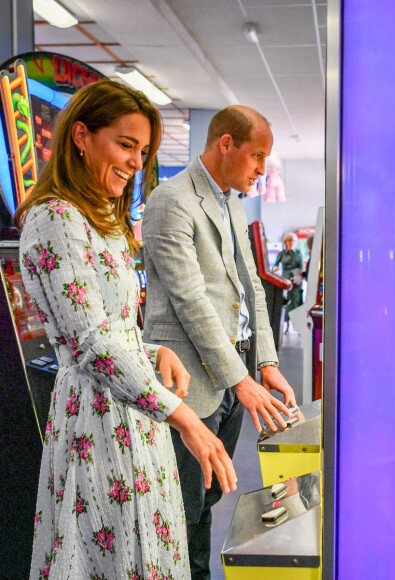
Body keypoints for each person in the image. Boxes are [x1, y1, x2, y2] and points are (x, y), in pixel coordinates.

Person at [14, 80, 237, 580]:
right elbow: (89, 342)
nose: (137, 162)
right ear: (81, 136)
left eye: (144, 150)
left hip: (133, 411)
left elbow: (110, 325)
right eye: (127, 144)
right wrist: (184, 416)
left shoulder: (101, 219)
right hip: (95, 420)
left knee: (145, 553)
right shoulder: (54, 219)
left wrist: (153, 348)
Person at [141, 105, 297, 579]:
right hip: (187, 381)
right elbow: (191, 302)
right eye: (256, 156)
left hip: (228, 383)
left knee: (206, 502)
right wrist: (241, 378)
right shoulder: (172, 200)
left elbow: (249, 285)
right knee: (179, 510)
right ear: (225, 143)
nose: (259, 170)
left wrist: (265, 361)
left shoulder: (231, 201)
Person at [273, 232, 304, 333]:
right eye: (289, 240)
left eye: (292, 241)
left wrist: (298, 278)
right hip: (285, 280)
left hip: (296, 279)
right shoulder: (281, 253)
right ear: (285, 242)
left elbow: (301, 267)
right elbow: (275, 265)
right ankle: (286, 326)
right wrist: (275, 268)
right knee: (286, 303)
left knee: (296, 302)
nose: (291, 243)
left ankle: (298, 326)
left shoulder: (299, 253)